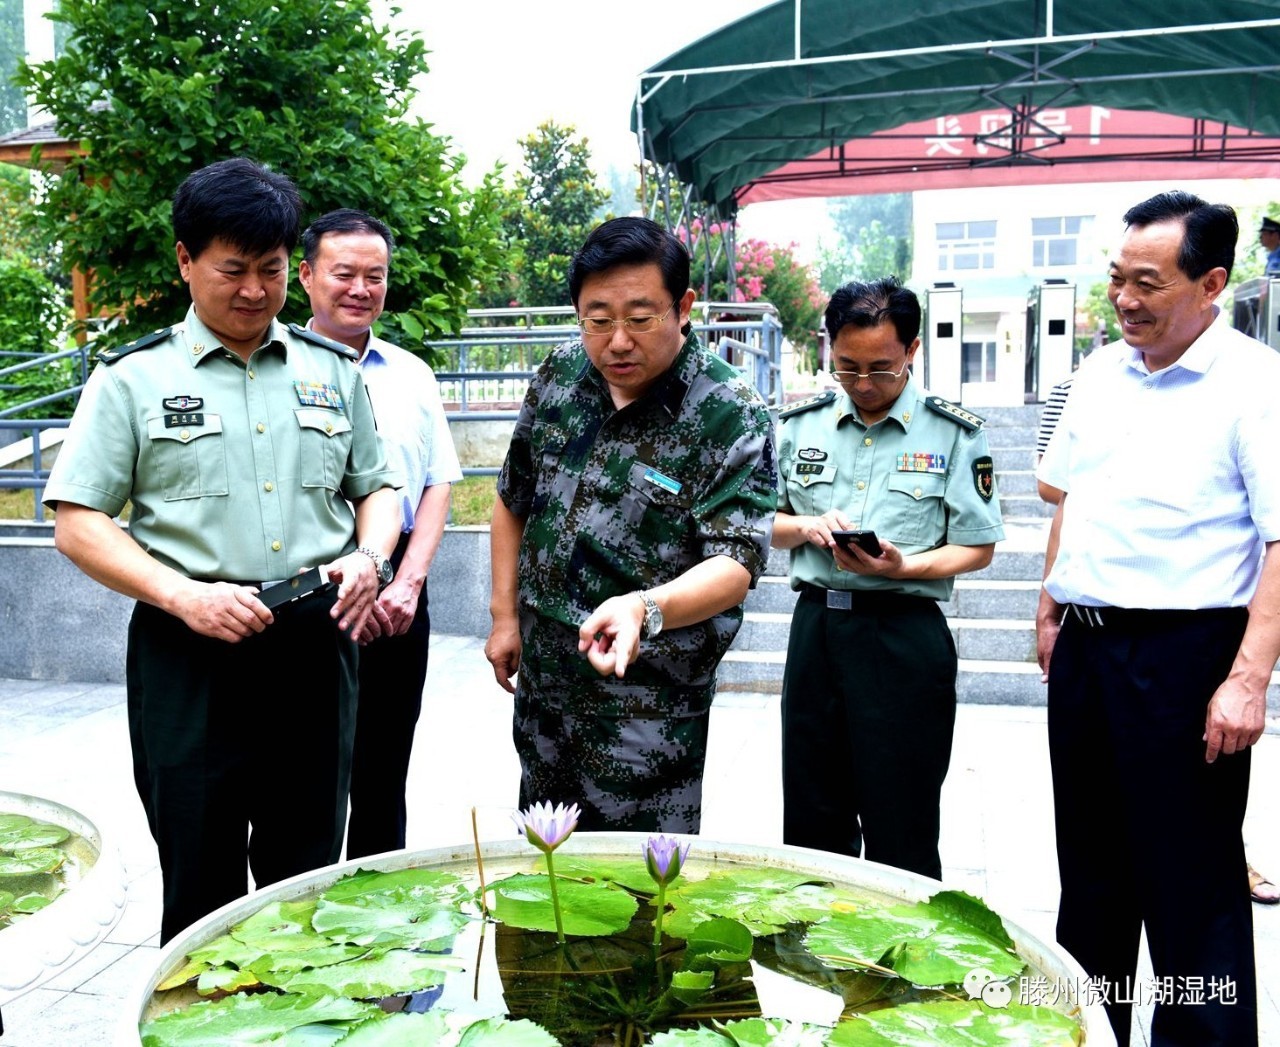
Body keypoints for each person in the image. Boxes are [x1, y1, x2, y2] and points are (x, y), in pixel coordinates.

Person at [42, 159, 402, 944]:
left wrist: (372, 558)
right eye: (231, 270)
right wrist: (181, 594)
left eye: (270, 271)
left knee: (306, 874)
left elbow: (378, 486)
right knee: (200, 878)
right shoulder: (133, 379)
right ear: (185, 261)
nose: (253, 291)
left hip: (313, 639)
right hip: (190, 649)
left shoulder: (330, 371)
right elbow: (78, 520)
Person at [1036, 190, 1280, 1046]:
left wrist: (1249, 678)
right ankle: (1082, 1032)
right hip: (1088, 652)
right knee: (1092, 877)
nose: (1125, 299)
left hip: (1187, 659)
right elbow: (1068, 496)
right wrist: (1048, 605)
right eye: (1116, 279)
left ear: (1212, 282)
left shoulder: (1255, 383)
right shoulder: (1101, 372)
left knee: (1189, 883)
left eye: (1149, 282)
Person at [484, 216, 776, 833]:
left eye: (640, 319)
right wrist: (505, 617)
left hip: (648, 710)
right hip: (547, 693)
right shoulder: (559, 379)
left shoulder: (728, 412)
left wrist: (645, 606)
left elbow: (736, 562)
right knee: (544, 878)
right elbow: (513, 500)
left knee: (641, 897)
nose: (617, 341)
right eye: (597, 319)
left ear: (684, 307)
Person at [772, 276, 1004, 880]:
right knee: (811, 818)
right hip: (818, 630)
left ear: (912, 350)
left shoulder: (953, 431)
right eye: (848, 367)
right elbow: (759, 520)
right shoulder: (800, 424)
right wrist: (807, 527)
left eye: (881, 367)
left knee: (901, 820)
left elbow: (977, 547)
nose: (864, 384)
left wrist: (907, 566)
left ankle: (902, 969)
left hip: (904, 637)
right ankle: (817, 961)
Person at [299, 209, 461, 859]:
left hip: (397, 598)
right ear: (306, 276)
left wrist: (409, 582)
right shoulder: (277, 368)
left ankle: (378, 915)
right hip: (311, 594)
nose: (361, 288)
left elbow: (438, 481)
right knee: (305, 778)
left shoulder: (412, 373)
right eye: (344, 273)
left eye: (376, 275)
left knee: (383, 773)